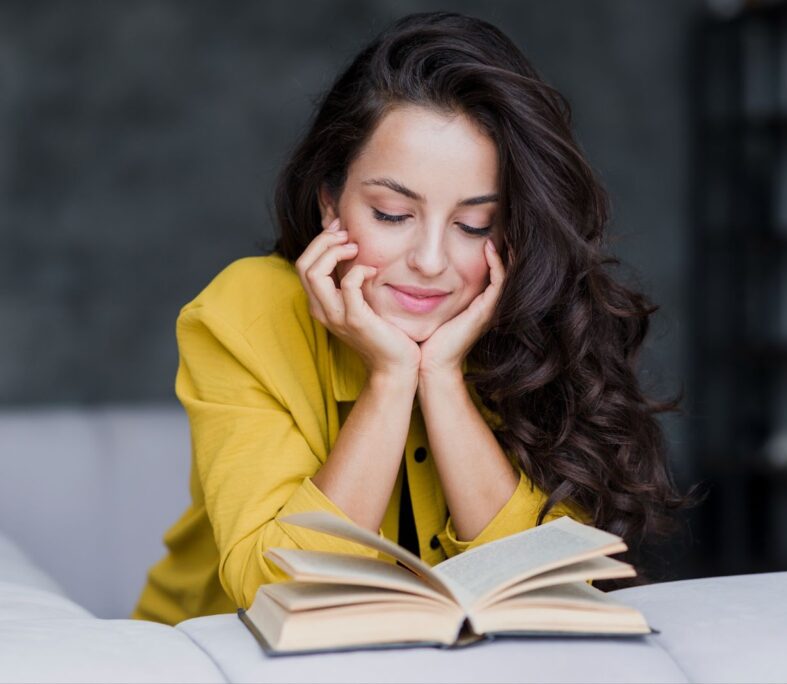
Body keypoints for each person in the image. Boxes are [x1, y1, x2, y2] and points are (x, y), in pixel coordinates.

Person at [131, 10, 706, 626]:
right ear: (331, 201)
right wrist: (389, 378)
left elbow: (550, 589)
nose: (431, 262)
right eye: (391, 214)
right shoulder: (242, 313)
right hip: (207, 657)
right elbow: (278, 592)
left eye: (473, 225)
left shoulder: (528, 313)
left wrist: (441, 377)